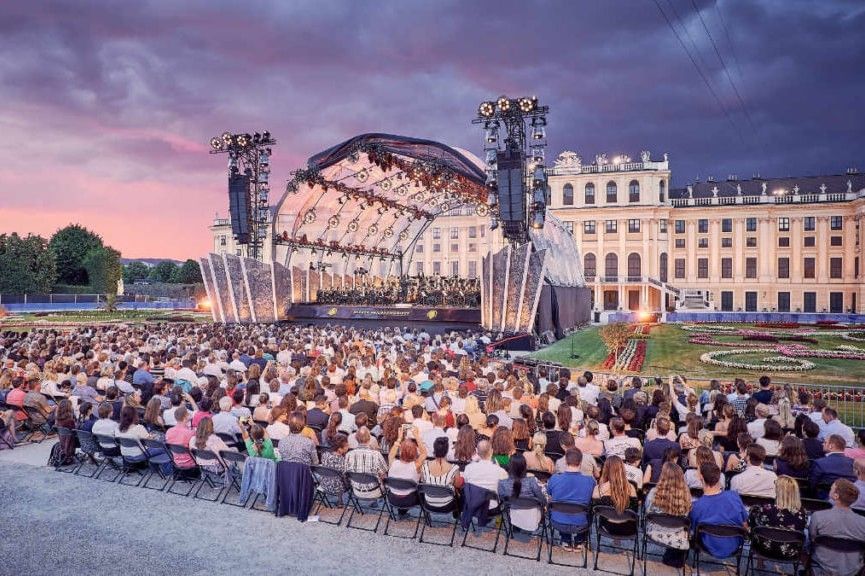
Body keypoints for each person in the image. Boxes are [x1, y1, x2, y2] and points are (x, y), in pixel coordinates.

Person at [690, 463, 749, 560]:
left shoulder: (697, 506)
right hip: (734, 545)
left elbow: (694, 531)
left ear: (701, 477)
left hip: (708, 546)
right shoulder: (734, 496)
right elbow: (745, 525)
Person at [808, 479, 865, 576]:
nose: (829, 490)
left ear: (836, 495)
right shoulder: (863, 522)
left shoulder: (818, 516)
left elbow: (812, 539)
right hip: (853, 571)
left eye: (831, 489)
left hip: (821, 568)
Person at [748, 476, 808, 561]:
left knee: (757, 527)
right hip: (789, 552)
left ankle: (760, 561)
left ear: (779, 491)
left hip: (763, 549)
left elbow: (751, 524)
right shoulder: (803, 513)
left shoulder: (765, 508)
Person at [644, 463, 691, 567]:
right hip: (677, 536)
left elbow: (647, 511)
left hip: (654, 533)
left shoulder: (653, 492)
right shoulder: (686, 495)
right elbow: (687, 514)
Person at [547, 448, 596, 547]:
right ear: (581, 462)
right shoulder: (590, 481)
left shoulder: (554, 478)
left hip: (558, 522)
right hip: (581, 524)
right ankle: (580, 541)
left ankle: (566, 540)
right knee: (588, 508)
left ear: (565, 461)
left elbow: (550, 495)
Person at [497, 453, 547, 531]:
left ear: (509, 466)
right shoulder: (531, 481)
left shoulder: (503, 483)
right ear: (524, 466)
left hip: (514, 517)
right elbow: (543, 500)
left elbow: (502, 499)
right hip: (532, 518)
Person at [592, 456, 638, 535]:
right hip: (628, 529)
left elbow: (594, 509)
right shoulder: (631, 488)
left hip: (607, 527)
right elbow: (635, 510)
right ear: (622, 469)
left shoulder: (598, 489)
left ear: (605, 469)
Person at [387, 433, 427, 516]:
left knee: (402, 485)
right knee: (423, 489)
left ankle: (401, 512)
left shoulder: (393, 462)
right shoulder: (416, 465)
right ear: (415, 452)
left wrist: (399, 438)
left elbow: (391, 454)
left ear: (400, 451)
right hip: (410, 500)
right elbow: (424, 453)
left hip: (392, 499)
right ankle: (427, 517)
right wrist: (417, 435)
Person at [344, 427, 388, 499]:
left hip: (356, 491)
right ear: (369, 438)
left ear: (356, 438)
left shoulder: (348, 454)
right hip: (375, 492)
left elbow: (346, 474)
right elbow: (384, 476)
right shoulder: (376, 454)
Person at [463, 440, 508, 510]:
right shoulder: (500, 471)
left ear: (477, 452)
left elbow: (466, 483)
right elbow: (505, 487)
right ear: (492, 451)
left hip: (474, 506)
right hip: (492, 508)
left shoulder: (468, 468)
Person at [420, 436, 462, 507]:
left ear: (434, 449)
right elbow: (458, 485)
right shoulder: (454, 468)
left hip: (428, 503)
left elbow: (423, 481)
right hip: (447, 505)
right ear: (447, 451)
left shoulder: (424, 465)